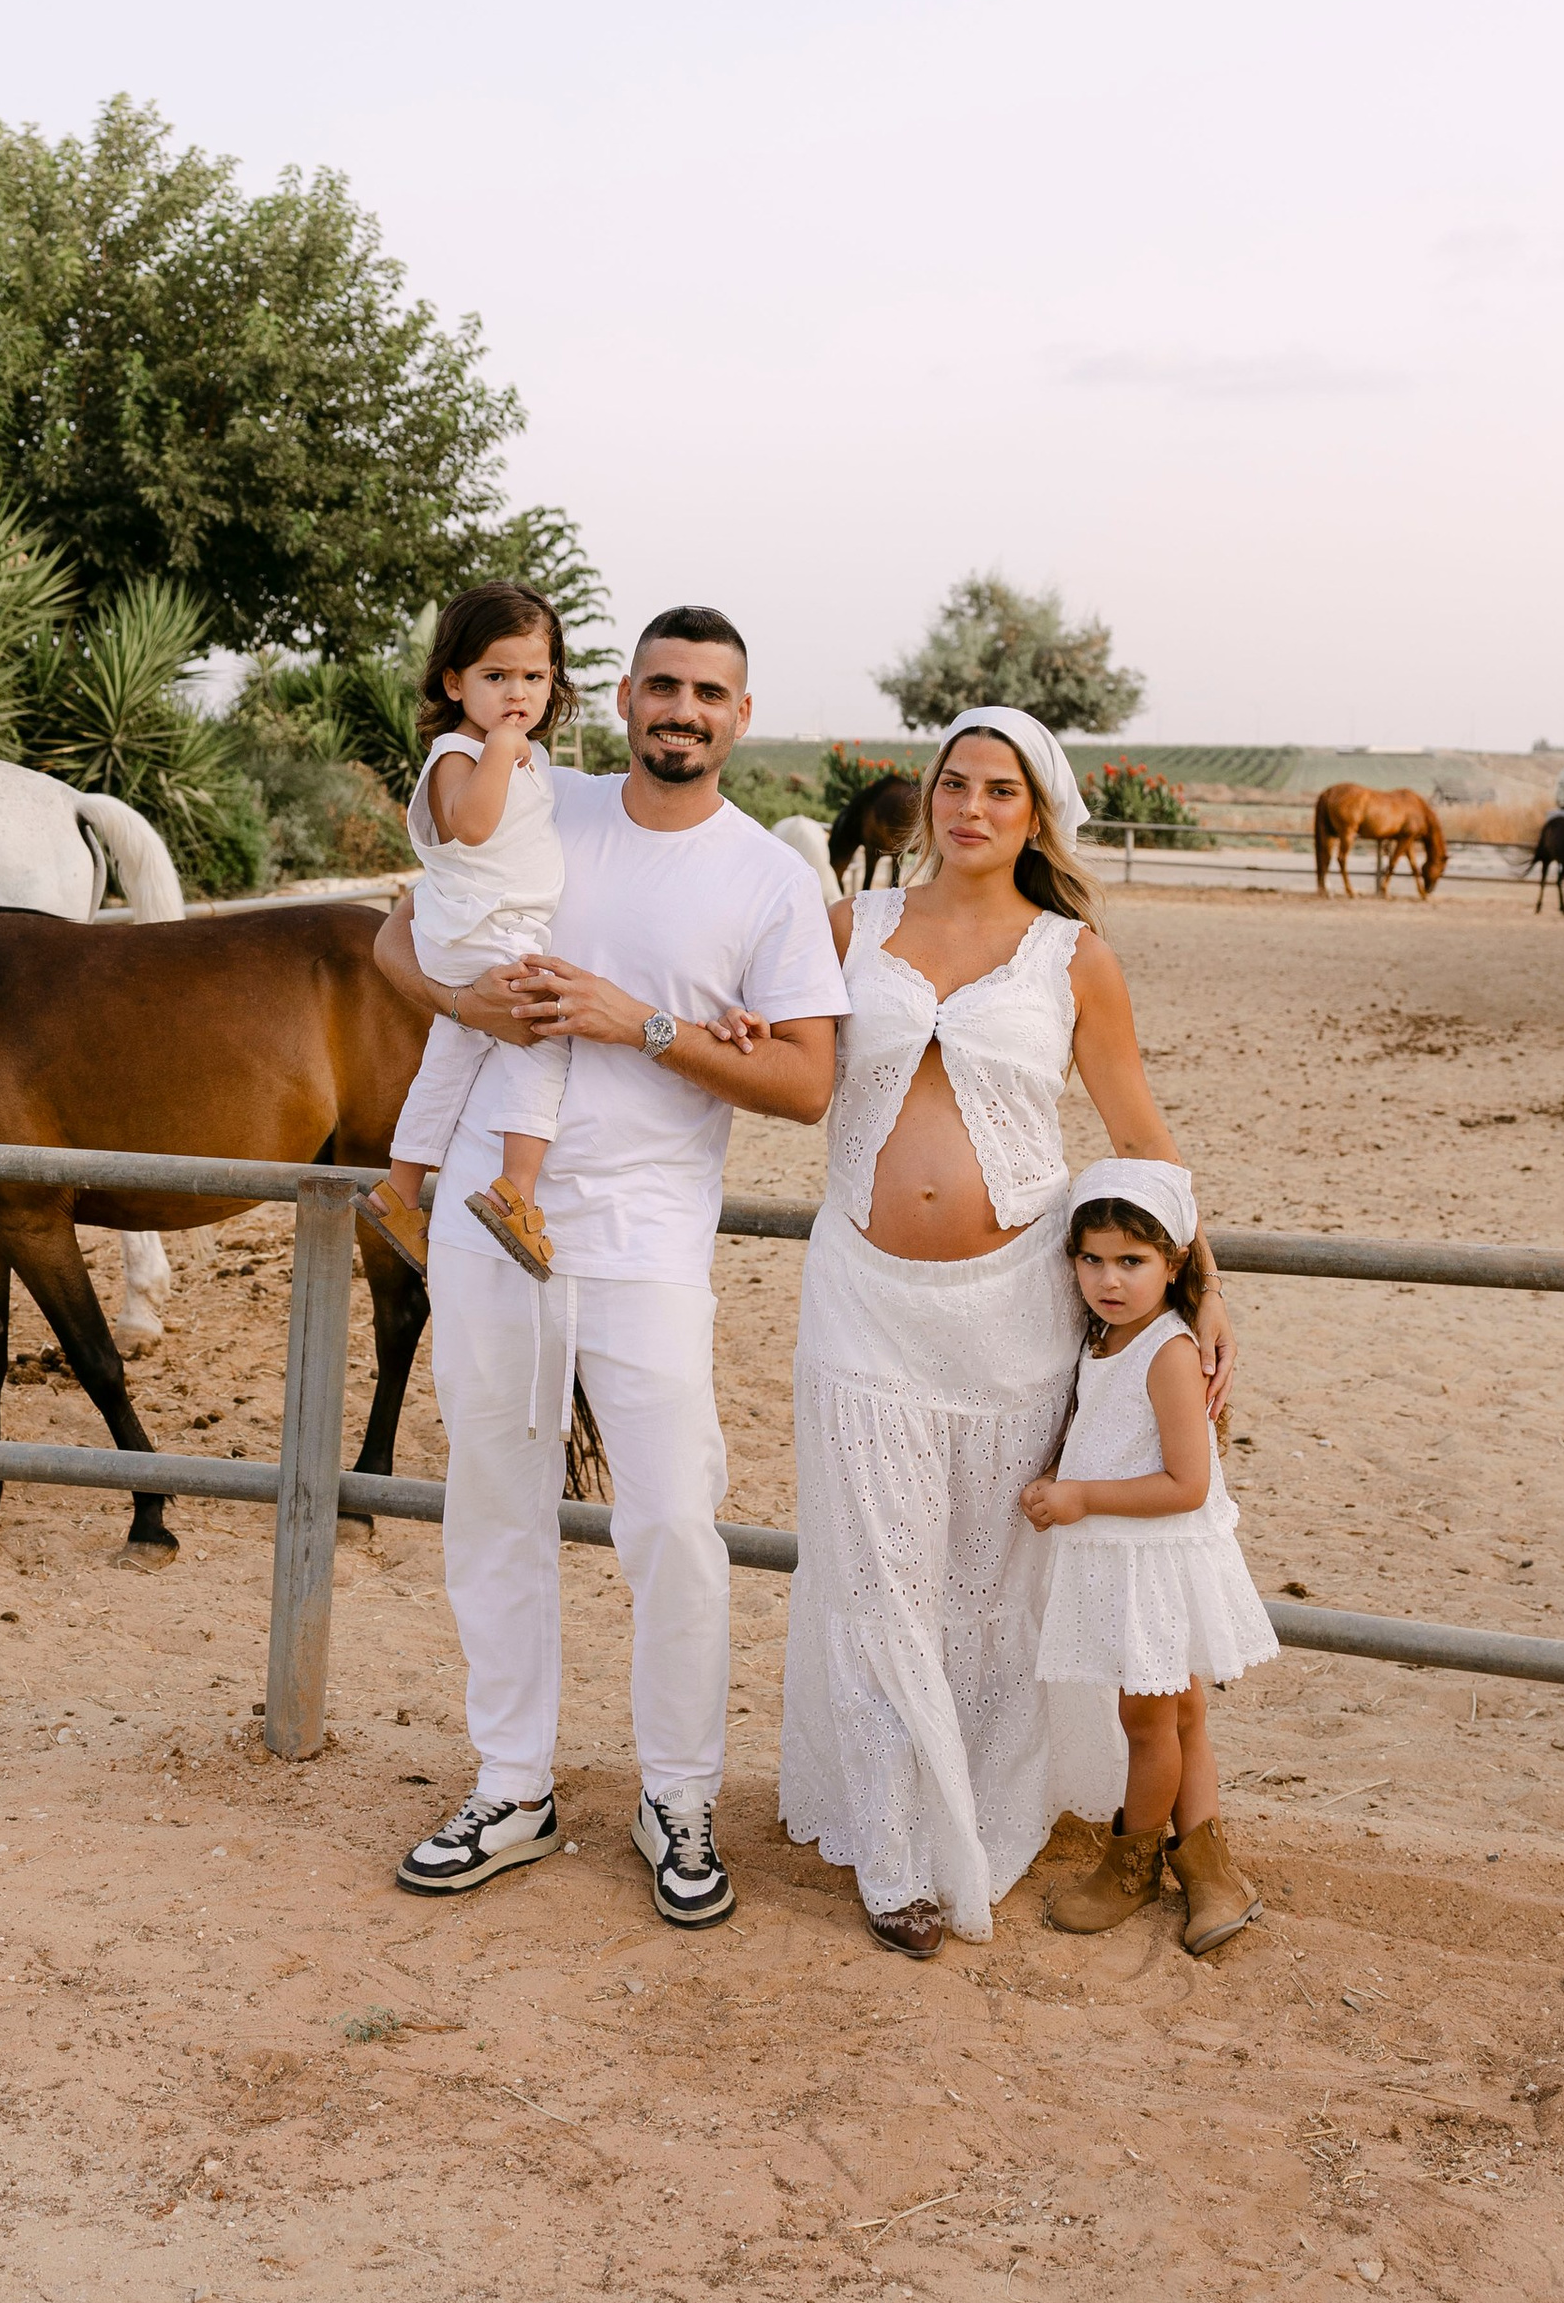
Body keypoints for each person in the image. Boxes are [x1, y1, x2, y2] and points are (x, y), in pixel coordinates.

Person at [373, 608, 846, 1927]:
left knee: (677, 1525)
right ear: (624, 695)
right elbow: (391, 938)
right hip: (488, 1219)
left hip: (645, 1241)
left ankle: (678, 1796)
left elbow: (806, 1084)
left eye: (711, 692)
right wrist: (471, 1008)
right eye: (663, 685)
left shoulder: (767, 882)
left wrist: (644, 1029)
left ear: (740, 717)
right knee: (495, 1502)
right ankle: (511, 1787)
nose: (683, 709)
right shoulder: (533, 793)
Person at [777, 709, 1235, 1959]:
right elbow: (774, 1069)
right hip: (862, 1298)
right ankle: (892, 1853)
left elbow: (1137, 1129)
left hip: (1015, 1311)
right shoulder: (847, 928)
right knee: (878, 1576)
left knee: (992, 1578)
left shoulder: (1070, 955)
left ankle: (973, 1815)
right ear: (924, 797)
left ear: (1037, 816)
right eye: (952, 784)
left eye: (1000, 791)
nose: (969, 807)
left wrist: (1202, 1289)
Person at [1020, 1162, 1276, 1952]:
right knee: (1184, 1713)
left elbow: (1188, 1484)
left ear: (1173, 1264)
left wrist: (1082, 1497)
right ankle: (1211, 1872)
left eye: (1131, 1262)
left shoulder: (1166, 1350)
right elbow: (1106, 1428)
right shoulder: (1107, 1339)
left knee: (1147, 1721)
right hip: (1137, 1559)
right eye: (1091, 1259)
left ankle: (1129, 1868)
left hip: (1154, 1564)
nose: (1108, 1279)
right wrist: (1062, 1476)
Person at [356, 582, 577, 1286]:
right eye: (496, 676)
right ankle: (515, 1191)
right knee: (544, 1038)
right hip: (490, 931)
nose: (518, 693)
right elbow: (472, 825)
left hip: (475, 932)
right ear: (454, 682)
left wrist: (514, 750)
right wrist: (502, 747)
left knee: (446, 1061)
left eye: (534, 677)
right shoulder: (460, 752)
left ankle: (399, 1188)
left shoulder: (520, 756)